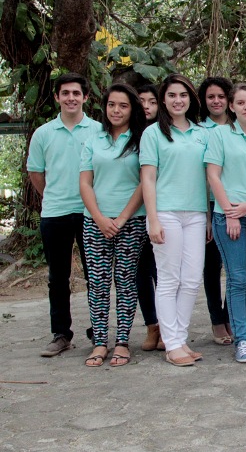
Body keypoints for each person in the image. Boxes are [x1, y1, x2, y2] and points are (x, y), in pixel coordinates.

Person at [27, 72, 99, 357]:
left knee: (96, 274)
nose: (71, 98)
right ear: (57, 97)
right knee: (58, 276)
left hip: (90, 212)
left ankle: (98, 331)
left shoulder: (98, 130)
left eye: (76, 93)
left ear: (85, 97)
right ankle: (61, 334)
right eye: (65, 93)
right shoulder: (44, 133)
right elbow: (36, 172)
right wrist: (53, 196)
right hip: (55, 212)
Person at [140, 74, 209, 367]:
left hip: (195, 213)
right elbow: (148, 177)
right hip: (165, 212)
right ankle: (173, 343)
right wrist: (152, 219)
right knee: (170, 279)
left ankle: (178, 338)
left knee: (193, 279)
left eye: (183, 94)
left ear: (190, 98)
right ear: (163, 100)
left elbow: (208, 179)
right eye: (171, 95)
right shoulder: (153, 133)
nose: (177, 100)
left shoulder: (202, 133)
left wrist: (206, 216)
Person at [79, 84, 148, 367]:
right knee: (96, 282)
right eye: (111, 105)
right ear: (105, 108)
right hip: (95, 221)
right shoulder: (93, 140)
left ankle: (122, 342)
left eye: (123, 105)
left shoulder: (142, 139)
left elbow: (146, 183)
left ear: (132, 109)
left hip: (131, 222)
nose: (116, 110)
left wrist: (120, 219)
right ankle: (99, 342)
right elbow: (85, 182)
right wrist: (99, 218)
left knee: (125, 280)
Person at [206, 83, 246, 364]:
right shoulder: (220, 135)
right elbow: (213, 176)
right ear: (231, 107)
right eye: (241, 102)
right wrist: (231, 212)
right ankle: (241, 339)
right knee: (237, 278)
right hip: (228, 218)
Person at [198, 76, 234, 345]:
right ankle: (216, 320)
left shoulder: (240, 127)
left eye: (221, 96)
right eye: (211, 97)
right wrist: (208, 216)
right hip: (208, 205)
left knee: (236, 267)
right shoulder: (199, 130)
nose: (216, 101)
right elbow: (201, 176)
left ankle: (231, 316)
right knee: (212, 267)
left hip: (239, 205)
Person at [136, 84, 164, 351]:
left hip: (160, 211)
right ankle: (151, 327)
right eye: (141, 101)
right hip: (133, 215)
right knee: (141, 272)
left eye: (152, 101)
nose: (146, 106)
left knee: (162, 272)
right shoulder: (130, 134)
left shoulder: (162, 133)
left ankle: (167, 328)